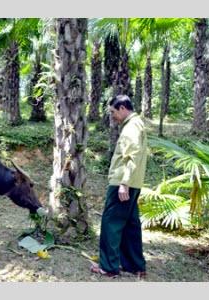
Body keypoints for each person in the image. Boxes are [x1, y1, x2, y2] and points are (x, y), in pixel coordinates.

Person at [90, 94, 148, 278]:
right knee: (130, 225)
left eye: (113, 111)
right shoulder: (137, 124)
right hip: (133, 182)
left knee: (110, 223)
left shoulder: (131, 127)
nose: (112, 116)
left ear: (123, 108)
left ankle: (108, 267)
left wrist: (124, 183)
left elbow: (132, 156)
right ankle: (134, 265)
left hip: (123, 183)